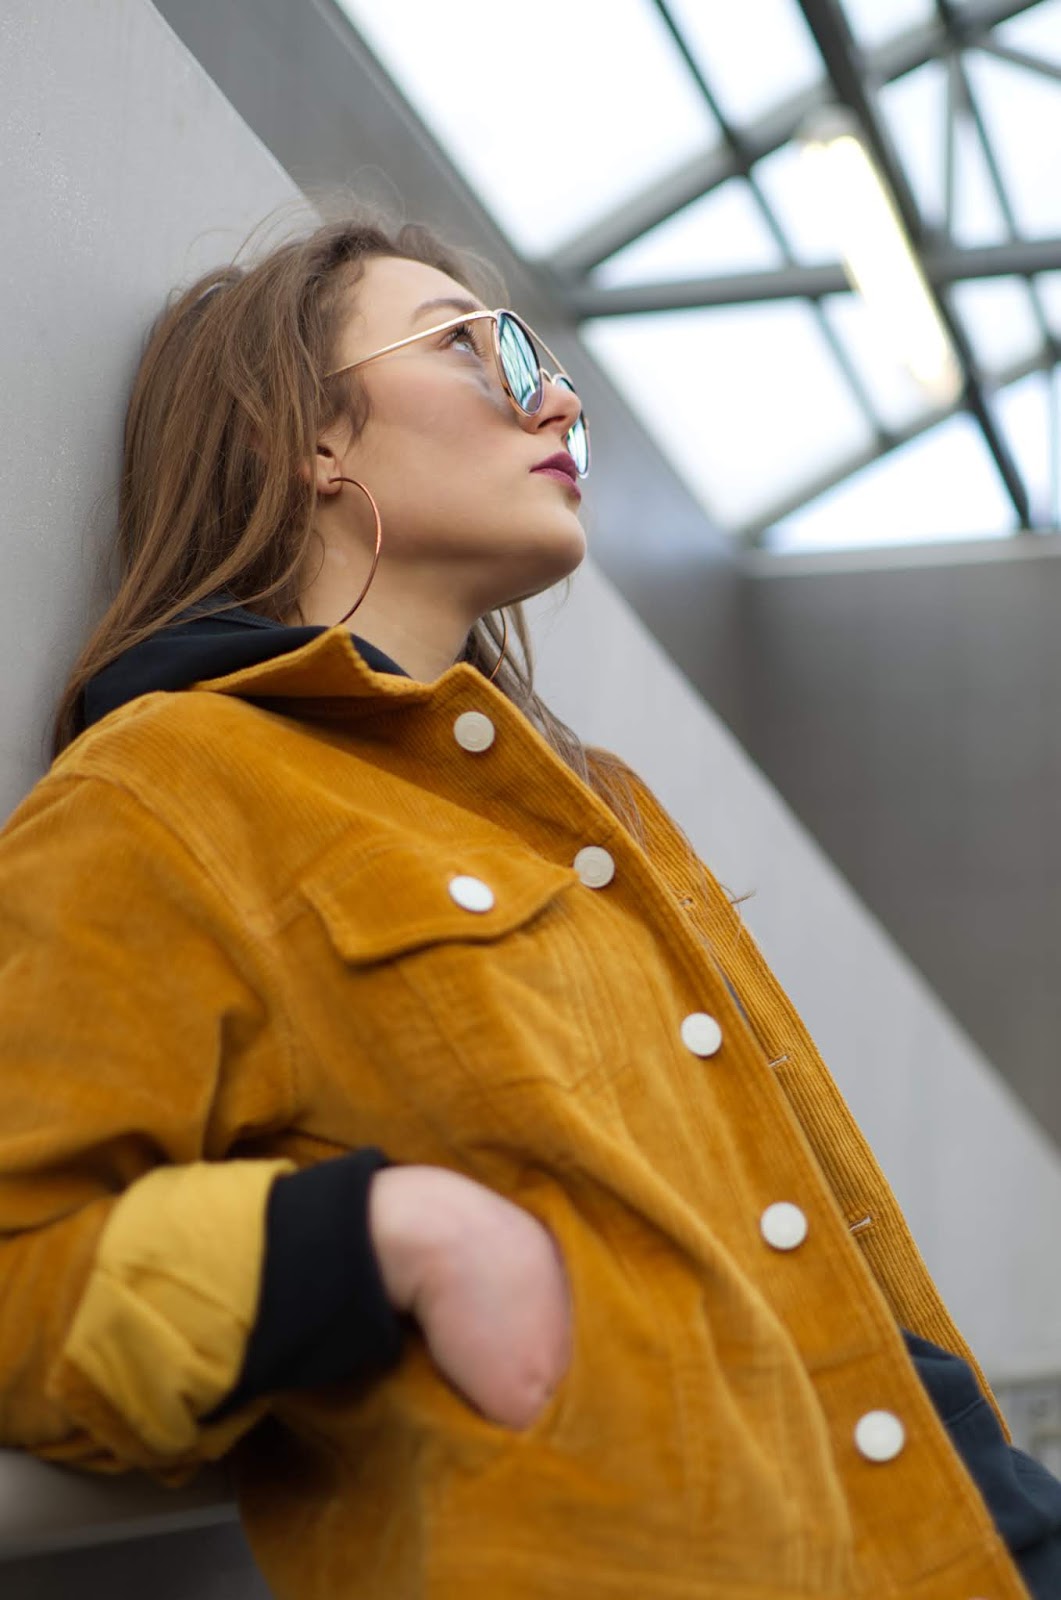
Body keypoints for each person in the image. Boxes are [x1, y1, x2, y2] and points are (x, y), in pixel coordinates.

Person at [0, 201, 1058, 1600]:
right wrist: (391, 1237)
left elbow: (824, 1278)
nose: (554, 393)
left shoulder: (599, 805)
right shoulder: (169, 788)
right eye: (473, 348)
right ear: (298, 435)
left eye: (535, 351)